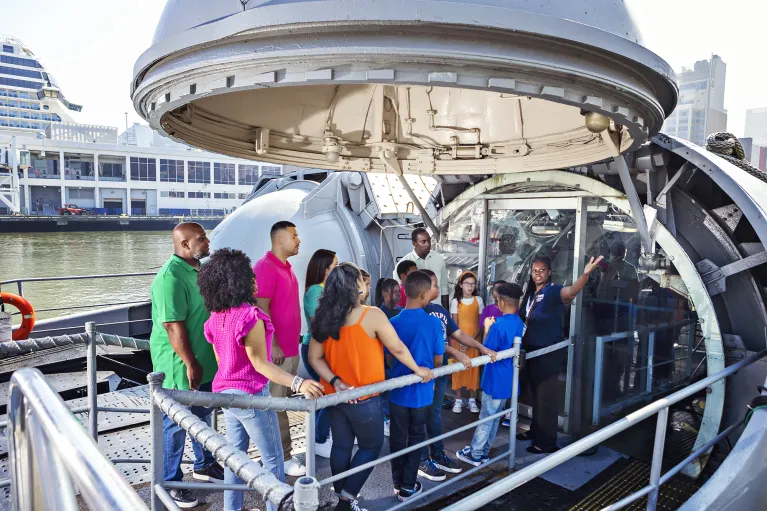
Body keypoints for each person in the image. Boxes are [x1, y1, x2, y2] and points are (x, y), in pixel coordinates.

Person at [198, 248, 324, 511]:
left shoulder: (215, 318)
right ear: (239, 281)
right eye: (249, 275)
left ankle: (232, 508)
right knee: (273, 461)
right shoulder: (249, 317)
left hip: (226, 396)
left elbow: (222, 363)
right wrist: (298, 383)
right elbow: (260, 364)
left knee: (234, 459)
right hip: (252, 397)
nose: (255, 279)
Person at [308, 263, 434, 511]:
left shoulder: (322, 317)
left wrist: (336, 382)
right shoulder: (372, 314)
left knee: (342, 446)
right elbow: (397, 348)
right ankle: (346, 500)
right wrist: (419, 369)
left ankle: (342, 496)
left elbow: (314, 358)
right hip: (365, 397)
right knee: (371, 446)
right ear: (357, 286)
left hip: (335, 397)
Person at [149, 222, 224, 509]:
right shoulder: (170, 278)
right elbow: (172, 327)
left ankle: (204, 465)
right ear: (184, 245)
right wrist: (190, 363)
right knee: (175, 425)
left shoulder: (198, 270)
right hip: (179, 364)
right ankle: (170, 482)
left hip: (202, 360)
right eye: (202, 239)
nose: (207, 242)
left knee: (203, 414)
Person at [417, 269, 498, 481]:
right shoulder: (416, 313)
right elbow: (434, 343)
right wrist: (455, 353)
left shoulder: (440, 311)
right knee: (417, 417)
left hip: (440, 370)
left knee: (434, 415)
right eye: (435, 285)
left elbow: (459, 334)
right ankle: (421, 459)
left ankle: (437, 454)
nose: (438, 289)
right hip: (422, 374)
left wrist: (481, 347)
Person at [519, 254, 603, 454]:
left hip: (547, 354)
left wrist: (585, 275)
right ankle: (536, 431)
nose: (537, 274)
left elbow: (571, 292)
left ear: (549, 272)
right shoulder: (531, 293)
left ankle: (546, 442)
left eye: (541, 270)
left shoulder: (554, 291)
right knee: (535, 395)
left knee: (546, 398)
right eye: (534, 271)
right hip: (531, 352)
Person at [253, 220, 306, 476]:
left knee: (282, 402)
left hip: (290, 349)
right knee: (276, 405)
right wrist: (272, 343)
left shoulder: (286, 267)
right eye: (294, 236)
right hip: (277, 352)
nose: (298, 240)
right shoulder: (265, 268)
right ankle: (281, 457)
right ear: (279, 240)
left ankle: (278, 454)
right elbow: (260, 309)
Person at [389, 271, 444, 501]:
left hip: (397, 393)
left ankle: (397, 482)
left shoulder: (392, 322)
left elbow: (390, 359)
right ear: (424, 295)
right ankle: (408, 487)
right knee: (416, 437)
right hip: (422, 394)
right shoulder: (432, 323)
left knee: (397, 438)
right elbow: (438, 360)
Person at [457, 283, 525, 466]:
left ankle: (476, 453)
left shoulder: (498, 325)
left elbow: (488, 351)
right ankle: (484, 451)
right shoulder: (518, 322)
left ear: (501, 302)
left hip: (495, 378)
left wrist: (487, 328)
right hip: (508, 377)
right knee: (495, 417)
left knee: (486, 417)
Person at [301, 249, 338, 458]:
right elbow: (320, 323)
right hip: (315, 349)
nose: (337, 269)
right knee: (328, 394)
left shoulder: (327, 289)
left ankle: (320, 436)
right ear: (325, 268)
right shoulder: (315, 290)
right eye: (335, 265)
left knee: (326, 393)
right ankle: (318, 439)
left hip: (326, 348)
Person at [450, 271, 484, 414]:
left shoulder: (479, 300)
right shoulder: (455, 302)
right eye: (467, 283)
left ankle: (471, 400)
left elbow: (481, 324)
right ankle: (458, 400)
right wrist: (461, 342)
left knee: (473, 369)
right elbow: (454, 325)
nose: (470, 287)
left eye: (472, 284)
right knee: (459, 369)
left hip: (475, 341)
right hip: (459, 341)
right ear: (460, 285)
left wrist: (472, 341)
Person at [394, 228, 450, 308]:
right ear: (414, 243)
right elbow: (398, 294)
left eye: (429, 241)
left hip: (437, 311)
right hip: (414, 313)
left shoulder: (439, 259)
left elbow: (444, 289)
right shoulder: (403, 264)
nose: (428, 244)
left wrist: (446, 314)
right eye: (423, 242)